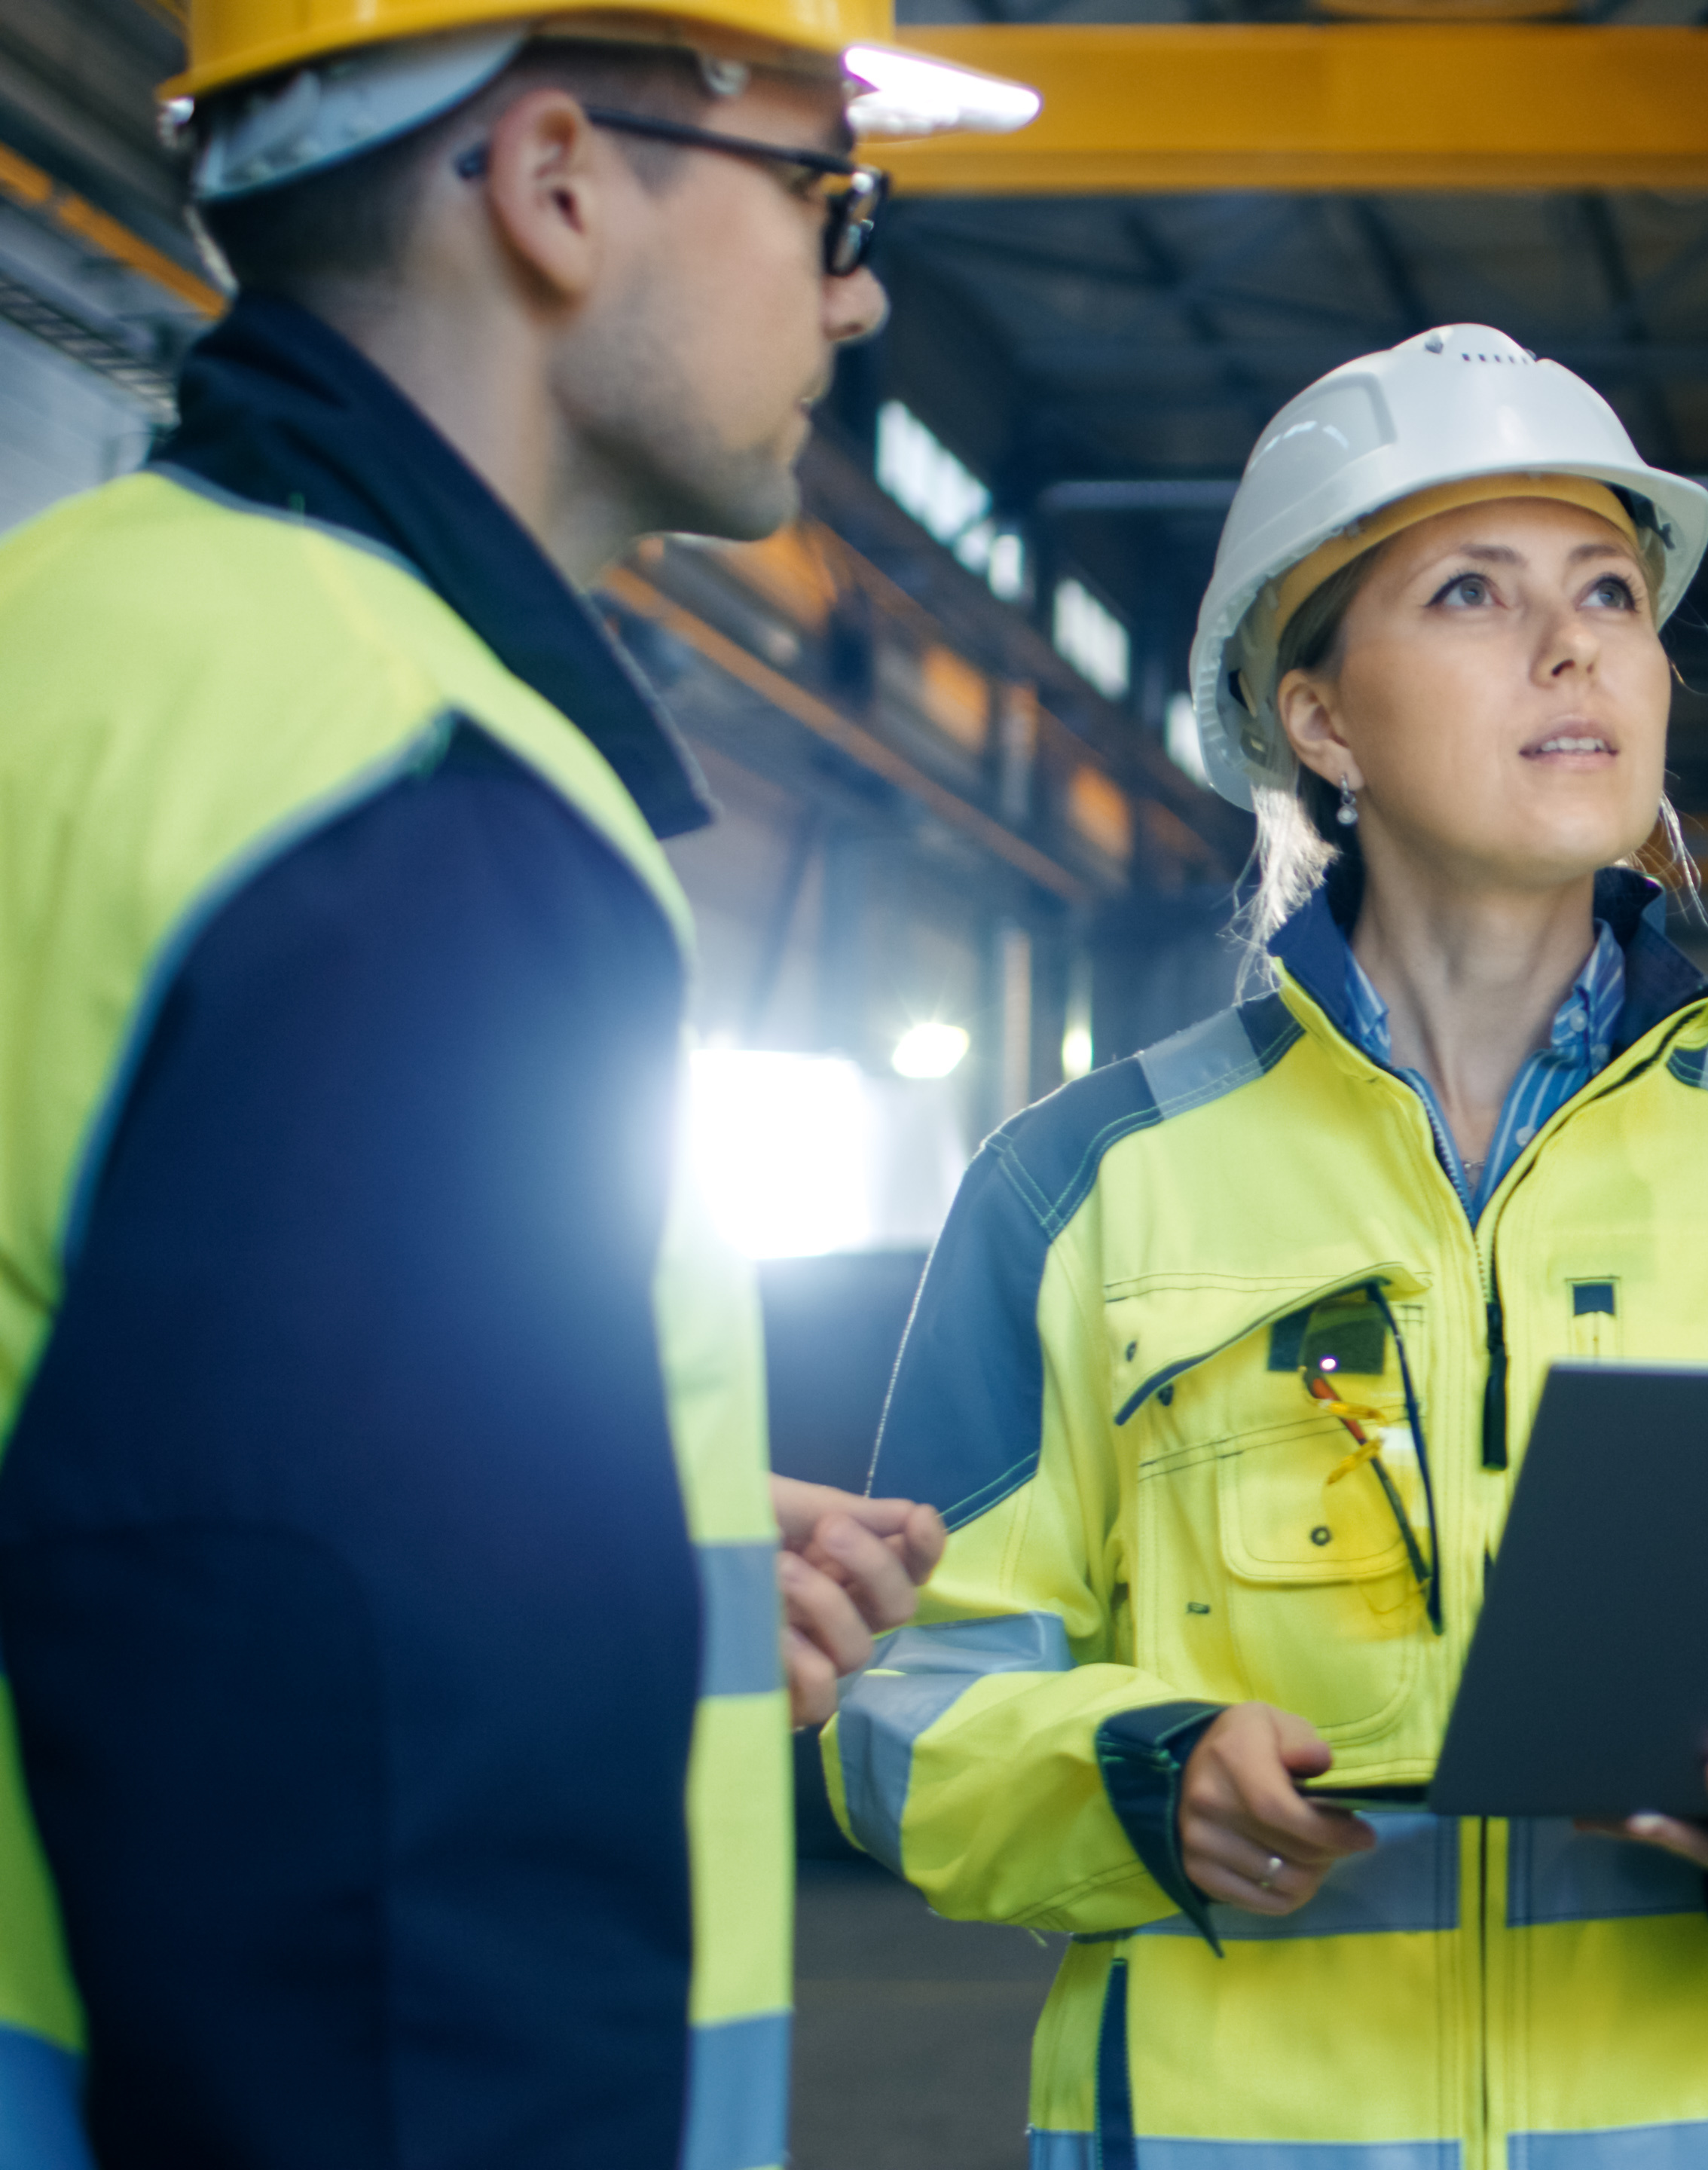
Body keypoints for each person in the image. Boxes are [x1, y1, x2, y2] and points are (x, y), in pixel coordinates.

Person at [832, 323, 1708, 2165]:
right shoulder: (1085, 1186)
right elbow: (903, 1705)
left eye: (1611, 595)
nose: (1571, 648)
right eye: (1472, 593)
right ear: (1318, 718)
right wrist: (1137, 1780)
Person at [0, 5, 1026, 2161]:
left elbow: (164, 1495)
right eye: (828, 199)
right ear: (560, 183)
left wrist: (562, 1550)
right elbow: (371, 1860)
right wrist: (464, 1602)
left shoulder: (77, 643)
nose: (856, 287)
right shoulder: (411, 801)